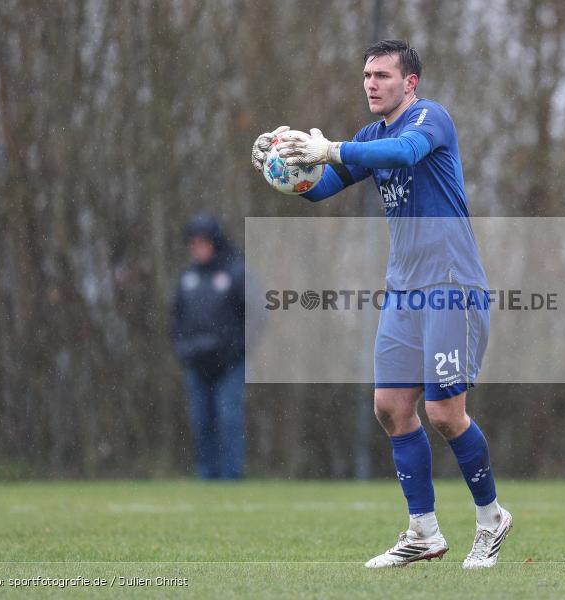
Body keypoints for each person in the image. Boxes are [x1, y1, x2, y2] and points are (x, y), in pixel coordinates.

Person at [252, 40, 511, 569]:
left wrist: (333, 149)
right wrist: (286, 172)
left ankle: (491, 520)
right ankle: (424, 533)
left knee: (444, 413)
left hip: (450, 286)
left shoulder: (430, 119)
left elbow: (404, 154)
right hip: (404, 291)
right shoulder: (371, 135)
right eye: (367, 75)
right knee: (391, 408)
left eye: (383, 76)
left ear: (409, 83)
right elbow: (322, 189)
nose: (371, 83)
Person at [170, 214, 249, 480]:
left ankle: (231, 476)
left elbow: (256, 315)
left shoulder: (236, 272)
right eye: (193, 243)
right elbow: (176, 318)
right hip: (196, 363)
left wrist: (237, 348)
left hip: (230, 364)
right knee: (201, 423)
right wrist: (182, 349)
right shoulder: (187, 278)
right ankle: (206, 476)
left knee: (228, 420)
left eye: (201, 242)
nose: (196, 247)